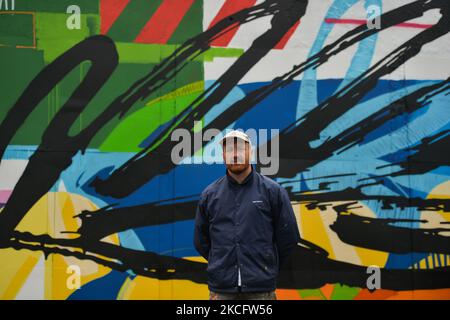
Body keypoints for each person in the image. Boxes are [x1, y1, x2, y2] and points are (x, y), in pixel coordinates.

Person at [193, 130, 301, 300]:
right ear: (223, 155)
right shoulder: (210, 195)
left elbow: (289, 237)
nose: (235, 155)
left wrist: (265, 266)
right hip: (222, 289)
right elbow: (201, 241)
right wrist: (223, 263)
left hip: (261, 289)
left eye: (240, 149)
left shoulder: (272, 191)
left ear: (250, 152)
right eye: (229, 150)